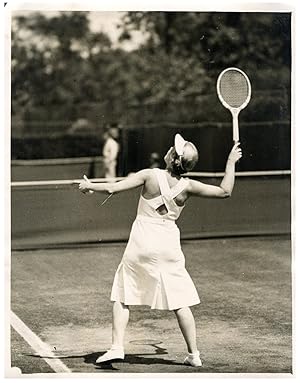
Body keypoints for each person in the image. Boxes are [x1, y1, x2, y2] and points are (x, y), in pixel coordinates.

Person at [79, 134, 242, 367]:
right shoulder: (189, 185)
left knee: (122, 296)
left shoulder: (149, 175)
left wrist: (88, 185)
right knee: (180, 301)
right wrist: (231, 161)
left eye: (172, 149)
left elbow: (114, 188)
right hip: (168, 244)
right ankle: (194, 355)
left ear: (173, 158)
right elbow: (225, 191)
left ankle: (117, 347)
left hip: (142, 241)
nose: (168, 148)